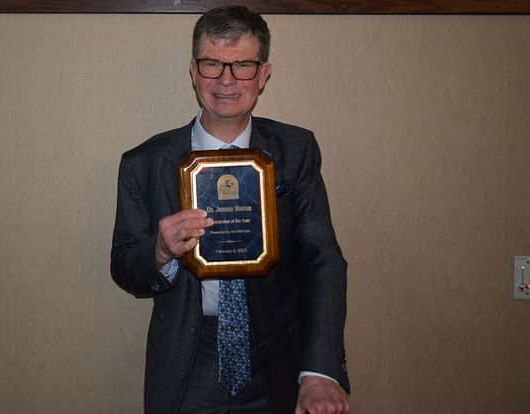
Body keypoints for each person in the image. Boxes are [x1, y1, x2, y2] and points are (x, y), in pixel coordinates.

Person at [110, 6, 350, 414]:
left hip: (278, 356)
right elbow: (124, 266)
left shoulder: (296, 150)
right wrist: (160, 251)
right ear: (193, 70)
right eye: (211, 64)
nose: (225, 79)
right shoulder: (143, 163)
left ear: (263, 74)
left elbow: (321, 261)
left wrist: (320, 371)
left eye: (242, 64)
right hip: (188, 359)